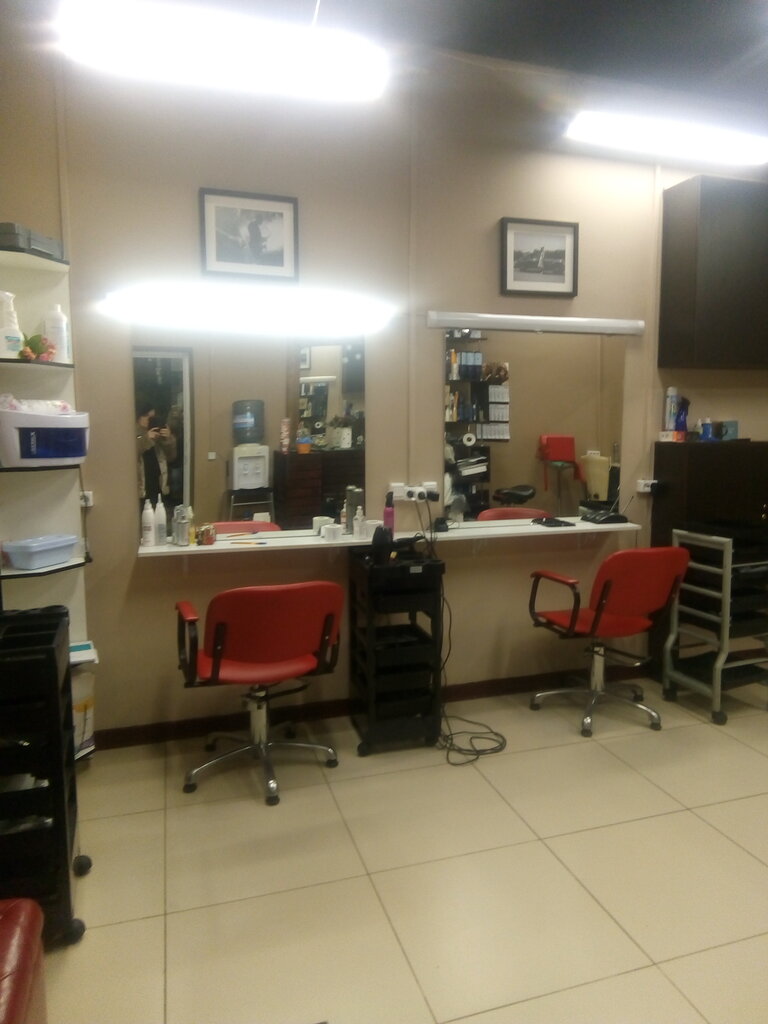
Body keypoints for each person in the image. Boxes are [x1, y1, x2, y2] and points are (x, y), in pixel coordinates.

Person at [136, 398, 177, 516]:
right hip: (141, 489)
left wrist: (168, 439)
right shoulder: (132, 433)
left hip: (158, 485)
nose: (150, 420)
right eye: (147, 417)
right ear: (139, 416)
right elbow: (130, 454)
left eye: (153, 417)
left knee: (159, 517)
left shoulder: (157, 434)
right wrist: (146, 438)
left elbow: (171, 457)